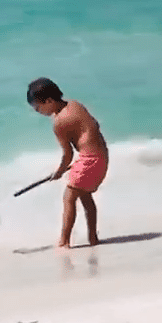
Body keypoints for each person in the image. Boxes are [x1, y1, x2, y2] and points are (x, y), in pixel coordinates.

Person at [27, 78, 110, 248]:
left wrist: (59, 171)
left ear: (49, 101)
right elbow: (93, 127)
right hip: (101, 155)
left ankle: (64, 242)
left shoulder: (59, 122)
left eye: (38, 107)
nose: (37, 112)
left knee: (69, 197)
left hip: (90, 159)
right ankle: (93, 238)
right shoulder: (75, 105)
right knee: (86, 197)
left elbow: (68, 154)